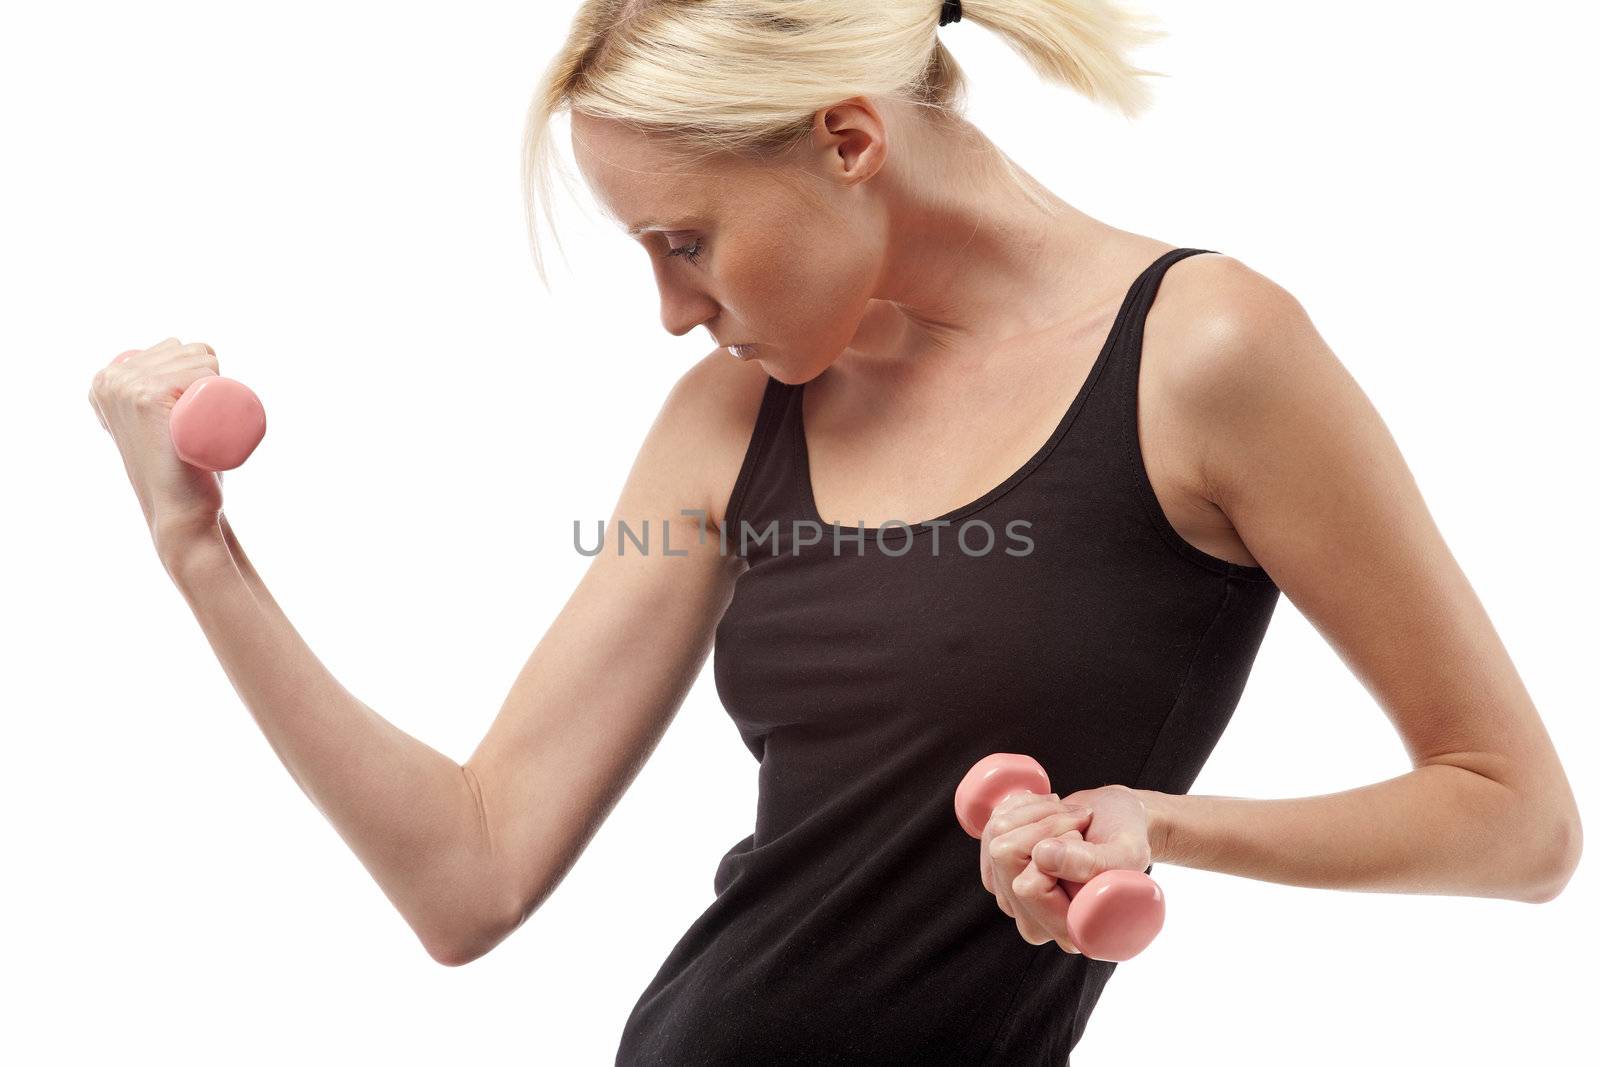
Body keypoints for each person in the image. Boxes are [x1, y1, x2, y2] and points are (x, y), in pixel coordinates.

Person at [88, 1, 1582, 1064]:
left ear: (850, 139)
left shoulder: (1207, 355)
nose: (672, 308)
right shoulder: (730, 419)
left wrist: (1164, 824)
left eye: (685, 240)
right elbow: (467, 876)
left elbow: (1517, 820)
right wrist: (199, 550)